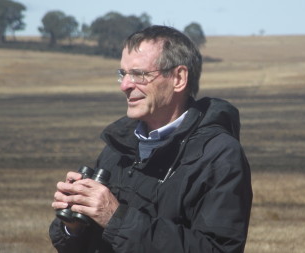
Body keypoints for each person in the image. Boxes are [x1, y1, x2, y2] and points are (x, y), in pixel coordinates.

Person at [49, 25, 252, 253]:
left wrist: (116, 219)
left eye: (139, 74)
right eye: (123, 74)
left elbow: (217, 249)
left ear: (178, 78)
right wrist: (74, 225)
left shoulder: (219, 155)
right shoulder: (117, 148)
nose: (125, 86)